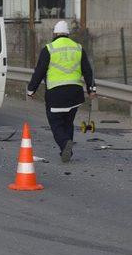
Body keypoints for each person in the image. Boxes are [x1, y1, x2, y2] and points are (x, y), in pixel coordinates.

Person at [27, 21, 96, 163]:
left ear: (54, 34)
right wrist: (91, 89)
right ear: (68, 34)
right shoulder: (78, 48)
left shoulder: (49, 49)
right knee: (68, 122)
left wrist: (31, 90)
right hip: (75, 94)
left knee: (56, 123)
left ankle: (65, 144)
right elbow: (87, 71)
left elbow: (39, 71)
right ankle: (67, 151)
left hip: (56, 94)